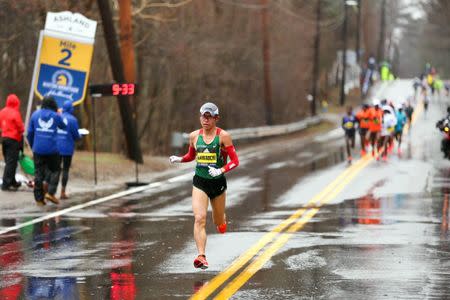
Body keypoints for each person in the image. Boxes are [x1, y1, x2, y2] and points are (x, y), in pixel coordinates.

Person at [169, 102, 239, 270]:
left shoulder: (223, 136)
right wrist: (179, 159)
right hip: (200, 182)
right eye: (203, 116)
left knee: (218, 221)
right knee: (199, 218)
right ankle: (201, 256)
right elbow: (191, 156)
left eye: (209, 117)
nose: (205, 120)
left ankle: (222, 221)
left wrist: (221, 170)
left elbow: (235, 161)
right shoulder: (194, 136)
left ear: (216, 118)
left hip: (218, 183)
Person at [27, 96, 66, 206]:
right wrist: (59, 114)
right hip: (52, 149)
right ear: (54, 104)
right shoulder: (56, 116)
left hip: (38, 149)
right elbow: (63, 126)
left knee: (38, 172)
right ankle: (50, 192)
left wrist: (32, 145)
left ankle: (39, 199)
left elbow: (30, 133)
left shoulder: (35, 114)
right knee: (55, 169)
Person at [56, 101, 81, 200]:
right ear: (71, 109)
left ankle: (50, 191)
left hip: (56, 147)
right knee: (65, 169)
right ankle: (62, 192)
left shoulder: (57, 117)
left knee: (55, 169)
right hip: (67, 148)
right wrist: (80, 135)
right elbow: (76, 135)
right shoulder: (73, 120)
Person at [0, 94, 24, 191]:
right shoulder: (15, 113)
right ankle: (6, 184)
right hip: (13, 139)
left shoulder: (2, 111)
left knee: (9, 161)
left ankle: (12, 181)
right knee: (11, 162)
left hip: (4, 138)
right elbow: (20, 127)